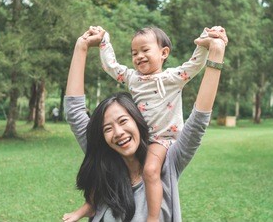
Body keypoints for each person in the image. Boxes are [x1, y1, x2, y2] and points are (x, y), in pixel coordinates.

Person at [63, 25, 227, 221]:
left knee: (150, 170)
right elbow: (109, 69)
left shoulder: (169, 163)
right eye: (107, 128)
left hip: (163, 141)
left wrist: (211, 48)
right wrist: (87, 44)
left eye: (123, 121)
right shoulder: (104, 154)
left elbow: (199, 114)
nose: (118, 132)